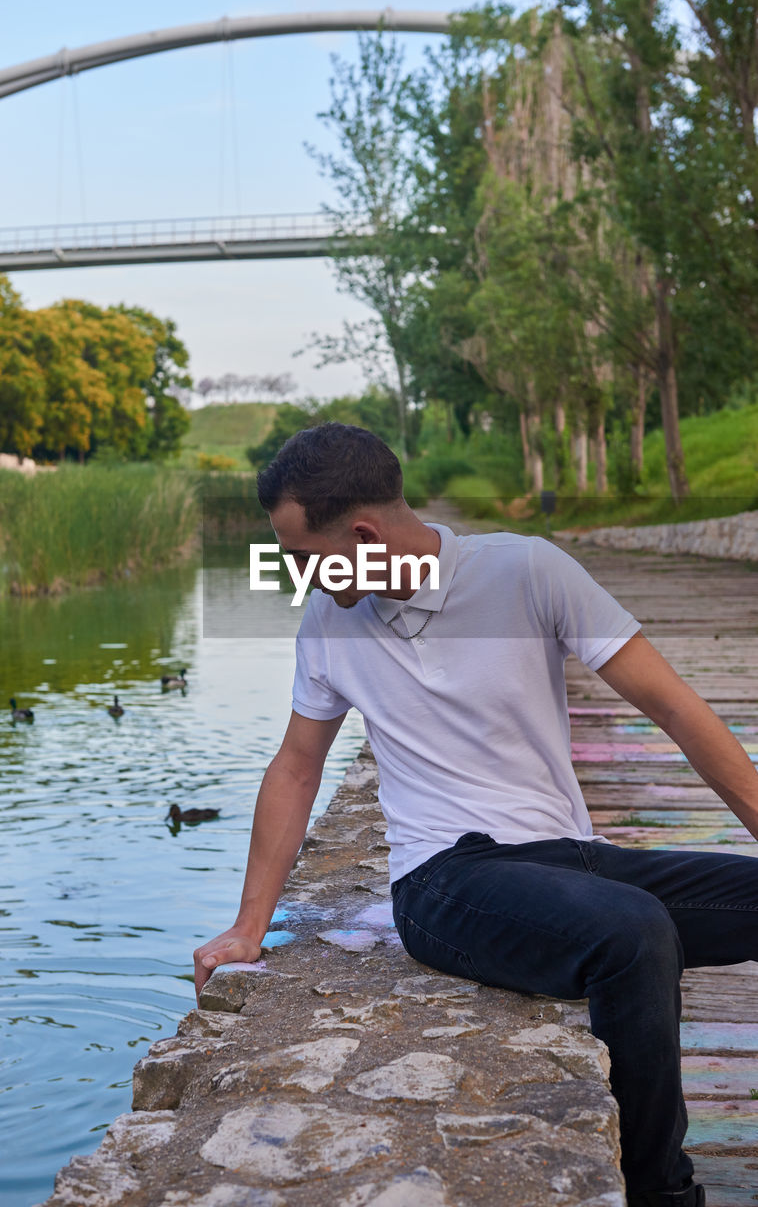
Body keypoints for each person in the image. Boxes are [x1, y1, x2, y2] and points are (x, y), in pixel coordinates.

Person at [194, 423, 758, 1207]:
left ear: (361, 534)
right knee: (632, 933)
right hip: (443, 881)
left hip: (569, 856)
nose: (298, 576)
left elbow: (674, 706)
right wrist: (248, 926)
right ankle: (662, 1193)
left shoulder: (526, 570)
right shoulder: (329, 622)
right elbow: (296, 768)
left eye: (301, 556)